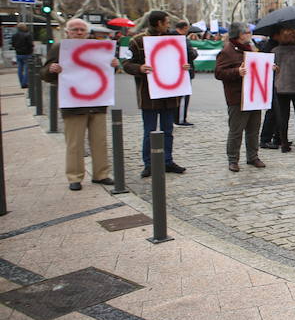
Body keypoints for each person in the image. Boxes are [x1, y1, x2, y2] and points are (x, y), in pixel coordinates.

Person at [41, 18, 118, 190]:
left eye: (82, 30)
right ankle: (74, 177)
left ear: (87, 32)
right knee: (75, 143)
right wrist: (52, 70)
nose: (79, 32)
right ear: (67, 31)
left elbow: (106, 68)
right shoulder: (60, 48)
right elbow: (44, 73)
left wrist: (113, 64)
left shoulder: (98, 48)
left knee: (100, 141)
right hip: (73, 104)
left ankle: (101, 174)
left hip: (98, 102)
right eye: (75, 29)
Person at [123, 10, 187, 178]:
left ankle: (167, 161)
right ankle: (149, 163)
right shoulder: (137, 41)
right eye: (166, 22)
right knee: (149, 130)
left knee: (168, 130)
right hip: (149, 94)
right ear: (158, 23)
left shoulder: (173, 40)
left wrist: (184, 66)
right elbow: (126, 64)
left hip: (170, 93)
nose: (168, 25)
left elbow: (184, 59)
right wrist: (139, 68)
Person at [214, 22, 267, 172]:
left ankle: (253, 157)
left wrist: (268, 67)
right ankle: (233, 159)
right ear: (239, 35)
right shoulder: (227, 51)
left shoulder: (250, 48)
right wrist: (237, 71)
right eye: (246, 33)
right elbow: (219, 73)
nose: (249, 35)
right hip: (237, 97)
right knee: (236, 130)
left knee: (253, 129)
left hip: (254, 95)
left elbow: (257, 66)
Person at [173, 21, 198, 126]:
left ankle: (174, 117)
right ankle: (180, 119)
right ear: (184, 28)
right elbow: (190, 54)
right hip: (184, 71)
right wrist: (195, 52)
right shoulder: (182, 40)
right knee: (183, 96)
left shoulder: (169, 37)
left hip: (173, 72)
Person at [11, 23, 34, 89]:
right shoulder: (27, 35)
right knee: (27, 69)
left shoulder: (14, 36)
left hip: (18, 53)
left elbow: (13, 45)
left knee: (20, 69)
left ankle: (22, 82)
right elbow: (30, 44)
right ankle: (25, 83)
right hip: (27, 53)